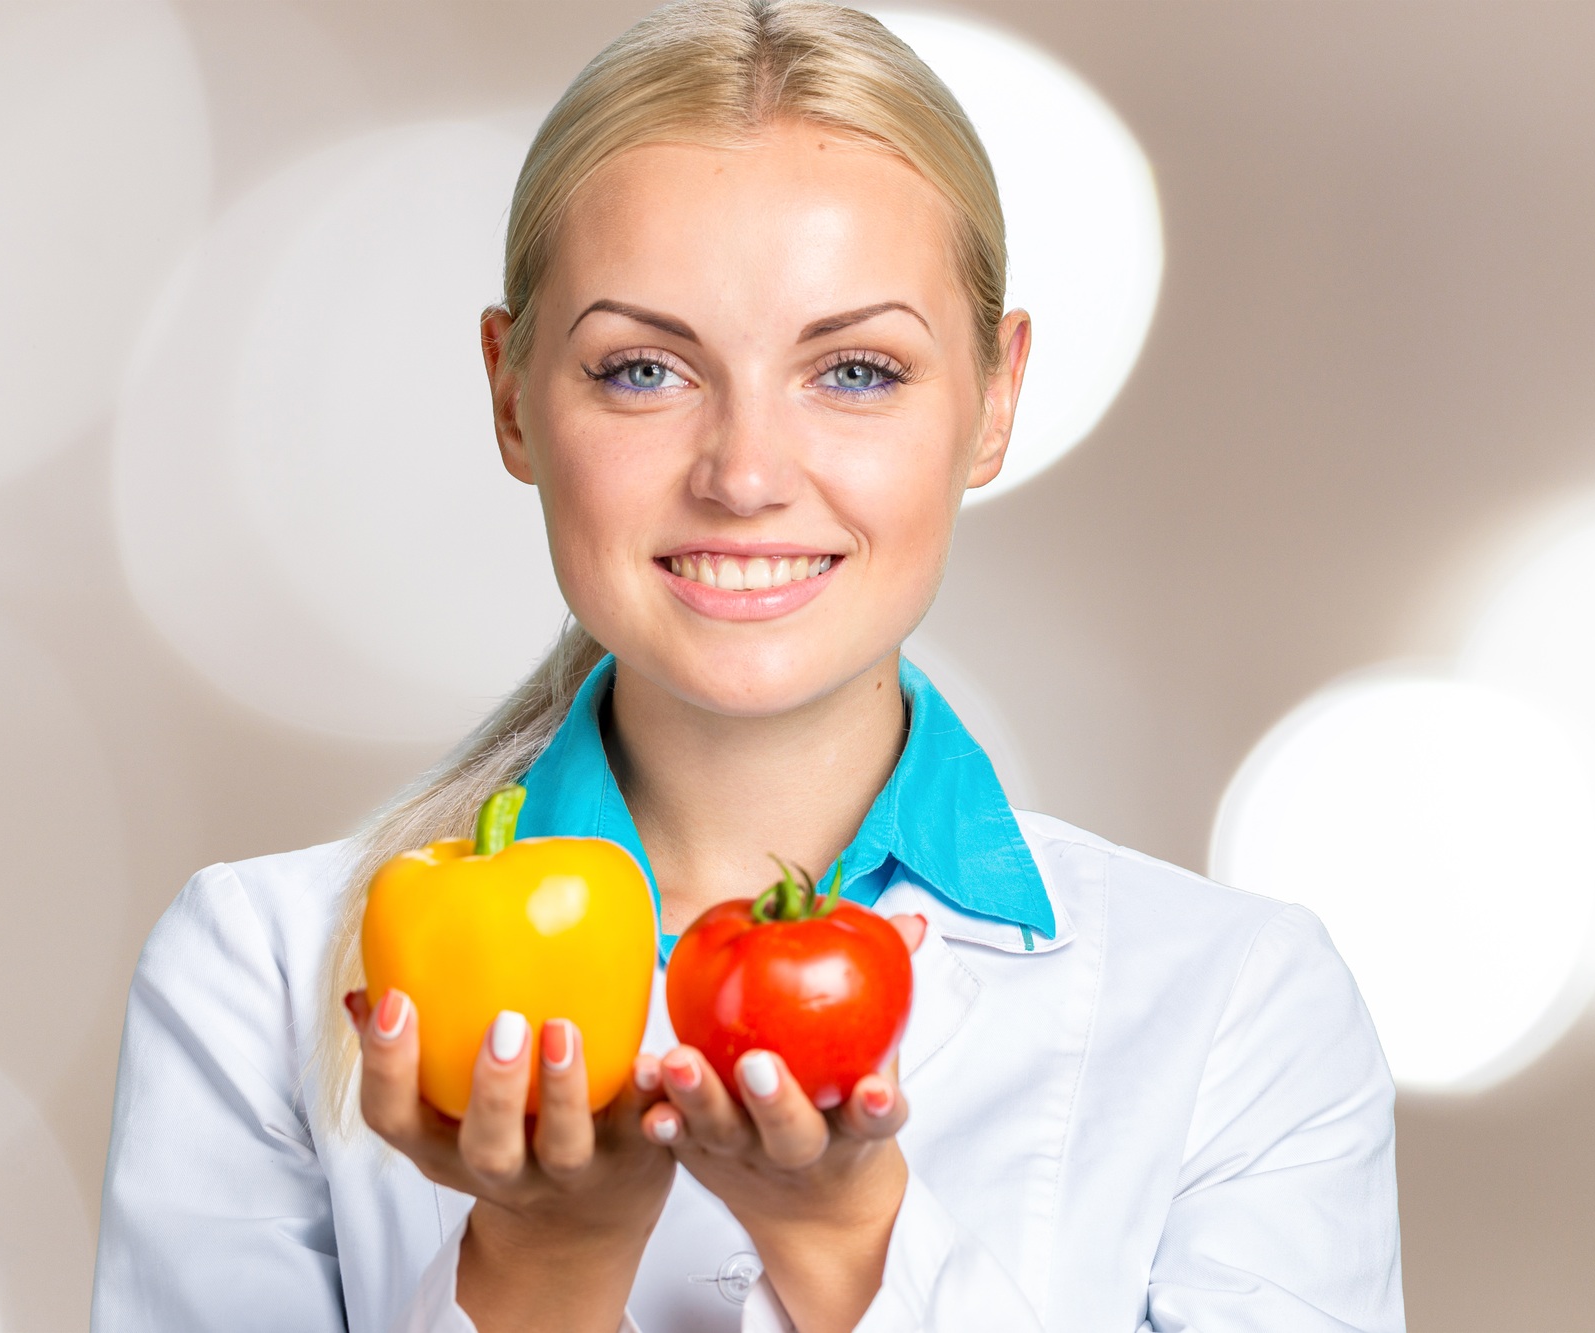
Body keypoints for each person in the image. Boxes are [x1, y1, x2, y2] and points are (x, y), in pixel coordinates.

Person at [91, 2, 1404, 1330]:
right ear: (511, 395)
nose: (748, 475)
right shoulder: (256, 977)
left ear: (996, 402)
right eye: (646, 367)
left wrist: (854, 1244)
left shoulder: (1242, 1006)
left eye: (858, 370)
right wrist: (544, 1273)